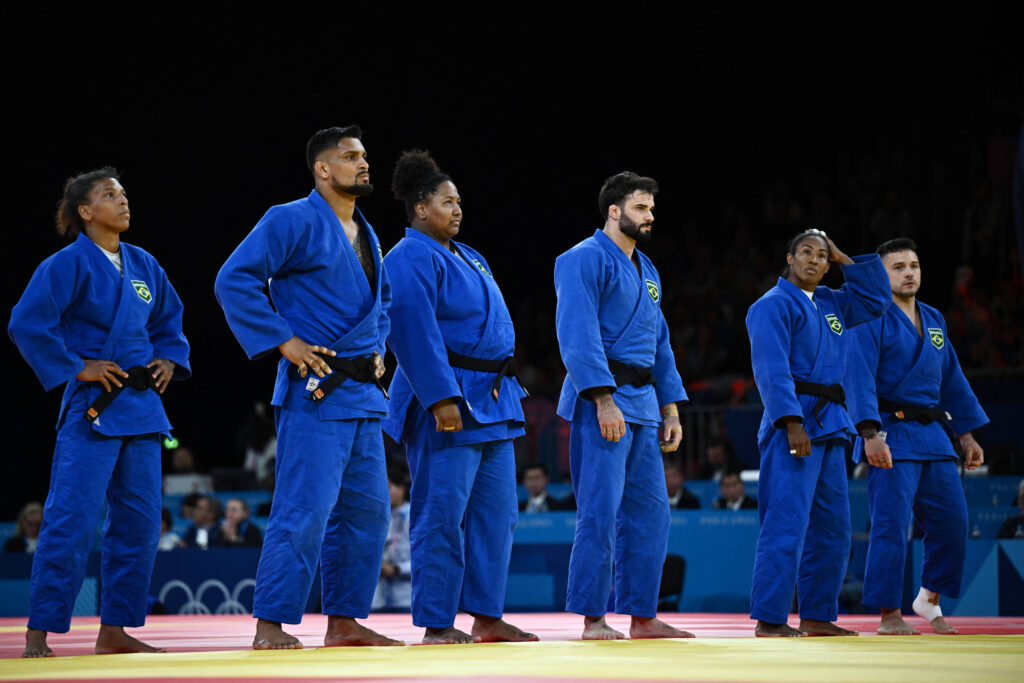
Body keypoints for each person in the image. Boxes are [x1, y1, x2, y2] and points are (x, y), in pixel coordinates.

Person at [214, 126, 400, 649]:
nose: (363, 163)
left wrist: (379, 346)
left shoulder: (367, 232)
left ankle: (343, 621)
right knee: (305, 508)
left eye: (364, 154)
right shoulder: (290, 219)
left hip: (363, 393)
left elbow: (380, 303)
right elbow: (233, 279)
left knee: (368, 511)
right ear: (322, 168)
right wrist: (282, 340)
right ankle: (271, 623)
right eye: (350, 156)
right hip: (315, 390)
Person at [8, 168, 190, 657]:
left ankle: (115, 630)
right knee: (71, 519)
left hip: (143, 410)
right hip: (94, 408)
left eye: (125, 193)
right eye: (110, 195)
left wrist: (169, 358)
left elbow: (169, 319)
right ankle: (39, 631)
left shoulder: (144, 264)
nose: (123, 201)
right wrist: (76, 367)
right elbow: (27, 323)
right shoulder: (65, 265)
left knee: (140, 523)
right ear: (85, 212)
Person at [383, 149, 536, 644]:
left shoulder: (470, 255)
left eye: (460, 202)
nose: (457, 209)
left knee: (498, 516)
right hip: (447, 400)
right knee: (441, 515)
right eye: (447, 202)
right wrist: (439, 397)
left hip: (492, 398)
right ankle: (436, 621)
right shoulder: (407, 257)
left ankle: (486, 615)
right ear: (420, 207)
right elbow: (412, 331)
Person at [554, 171, 692, 640]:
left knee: (652, 512)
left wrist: (671, 408)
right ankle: (593, 617)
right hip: (603, 403)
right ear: (614, 211)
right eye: (640, 208)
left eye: (652, 208)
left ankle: (642, 614)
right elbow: (577, 334)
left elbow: (661, 343)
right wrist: (602, 398)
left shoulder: (647, 269)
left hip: (644, 403)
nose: (649, 216)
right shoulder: (581, 259)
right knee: (600, 510)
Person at [745, 228, 889, 637]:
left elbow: (876, 300)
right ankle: (770, 620)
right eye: (805, 252)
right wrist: (791, 423)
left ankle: (816, 615)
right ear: (789, 259)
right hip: (795, 423)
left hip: (832, 423)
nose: (814, 260)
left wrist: (849, 262)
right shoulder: (771, 306)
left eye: (822, 256)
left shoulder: (830, 303)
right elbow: (770, 370)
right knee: (786, 523)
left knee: (834, 528)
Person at [846, 238, 988, 635]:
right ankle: (890, 613)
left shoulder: (934, 318)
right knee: (891, 526)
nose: (909, 272)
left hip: (934, 436)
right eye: (898, 267)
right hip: (891, 433)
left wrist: (967, 435)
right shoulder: (870, 317)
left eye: (914, 265)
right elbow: (857, 377)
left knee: (952, 523)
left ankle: (929, 597)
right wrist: (870, 432)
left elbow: (953, 381)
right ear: (881, 275)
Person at [372, 470, 412, 611]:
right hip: (384, 598)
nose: (384, 493)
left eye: (388, 488)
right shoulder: (385, 516)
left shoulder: (413, 517)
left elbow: (428, 560)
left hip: (407, 598)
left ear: (401, 489)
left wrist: (396, 569)